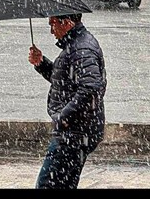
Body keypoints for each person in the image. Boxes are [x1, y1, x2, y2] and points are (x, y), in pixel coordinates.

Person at [28, 13, 107, 189]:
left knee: (48, 184)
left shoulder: (81, 49)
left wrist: (63, 118)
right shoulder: (76, 45)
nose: (51, 30)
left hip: (73, 133)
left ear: (66, 22)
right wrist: (41, 63)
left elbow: (91, 88)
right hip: (76, 131)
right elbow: (65, 82)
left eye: (52, 24)